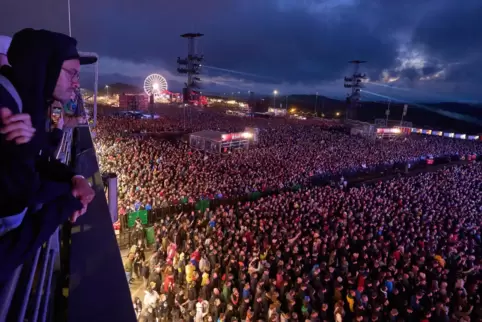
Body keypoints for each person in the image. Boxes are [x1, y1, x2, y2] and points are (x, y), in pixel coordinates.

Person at [0, 28, 95, 278]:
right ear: (44, 66)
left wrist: (72, 178)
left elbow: (35, 161)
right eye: (71, 73)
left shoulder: (25, 103)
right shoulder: (6, 105)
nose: (76, 82)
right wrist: (67, 202)